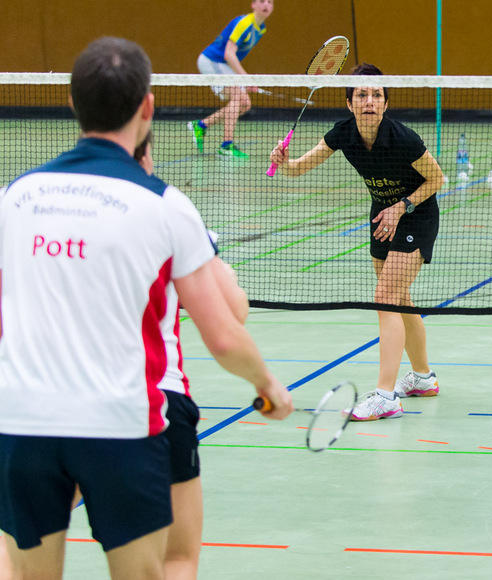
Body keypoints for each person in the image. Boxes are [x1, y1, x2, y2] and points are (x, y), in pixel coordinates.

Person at [0, 37, 293, 579]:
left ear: (72, 103)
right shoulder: (163, 205)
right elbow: (223, 331)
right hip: (120, 425)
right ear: (148, 107)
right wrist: (267, 384)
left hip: (23, 424)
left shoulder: (16, 196)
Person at [270, 63, 444, 421]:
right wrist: (285, 163)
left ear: (386, 103)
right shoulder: (343, 133)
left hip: (416, 213)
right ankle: (423, 378)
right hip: (382, 216)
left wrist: (402, 206)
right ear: (349, 103)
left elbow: (437, 179)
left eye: (377, 95)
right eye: (361, 95)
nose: (369, 101)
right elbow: (299, 168)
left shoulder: (403, 138)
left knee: (385, 296)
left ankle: (385, 396)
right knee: (399, 299)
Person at [135, 131, 251, 580]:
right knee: (176, 557)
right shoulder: (169, 209)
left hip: (45, 407)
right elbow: (232, 315)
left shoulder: (23, 197)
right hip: (154, 402)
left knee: (21, 545)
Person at [188, 0, 275, 159]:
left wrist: (243, 79)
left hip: (223, 64)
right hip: (212, 61)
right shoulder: (244, 23)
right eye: (262, 1)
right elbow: (229, 53)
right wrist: (246, 79)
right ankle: (226, 146)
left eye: (270, 2)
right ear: (253, 4)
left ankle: (201, 125)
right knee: (237, 97)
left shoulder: (261, 28)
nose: (266, 5)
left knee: (245, 103)